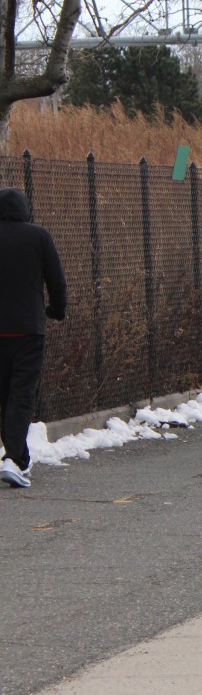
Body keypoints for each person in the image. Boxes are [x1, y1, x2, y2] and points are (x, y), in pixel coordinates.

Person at [0, 187, 67, 488]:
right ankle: (14, 459)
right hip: (28, 329)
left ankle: (18, 457)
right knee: (22, 394)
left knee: (5, 395)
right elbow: (56, 279)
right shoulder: (39, 236)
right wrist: (57, 309)